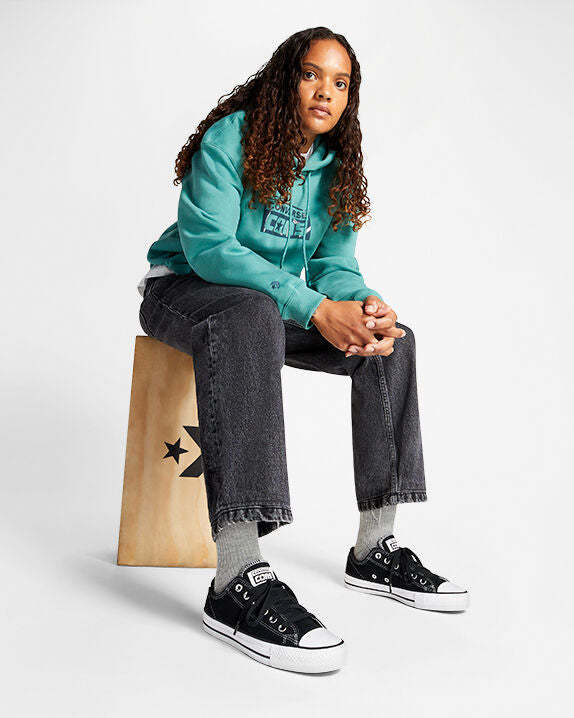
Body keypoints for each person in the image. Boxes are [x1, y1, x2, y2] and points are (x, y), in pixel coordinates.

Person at [137, 27, 468, 674]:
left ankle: (375, 549)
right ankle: (236, 577)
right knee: (250, 313)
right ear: (285, 77)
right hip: (184, 289)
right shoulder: (231, 138)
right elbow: (211, 249)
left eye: (340, 83)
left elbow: (335, 265)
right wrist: (313, 307)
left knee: (391, 345)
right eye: (311, 74)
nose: (325, 92)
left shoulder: (335, 165)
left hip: (273, 308)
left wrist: (363, 305)